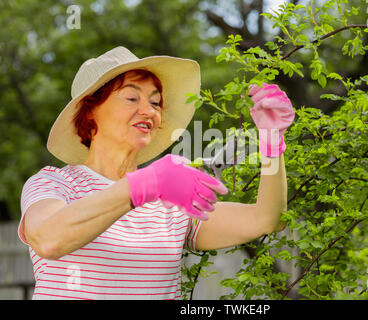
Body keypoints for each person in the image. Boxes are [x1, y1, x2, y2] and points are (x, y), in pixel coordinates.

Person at [18, 46, 295, 300]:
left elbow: (267, 220)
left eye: (155, 102)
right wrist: (144, 184)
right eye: (131, 97)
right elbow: (48, 240)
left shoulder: (170, 201)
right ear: (90, 110)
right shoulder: (55, 183)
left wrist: (271, 144)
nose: (148, 110)